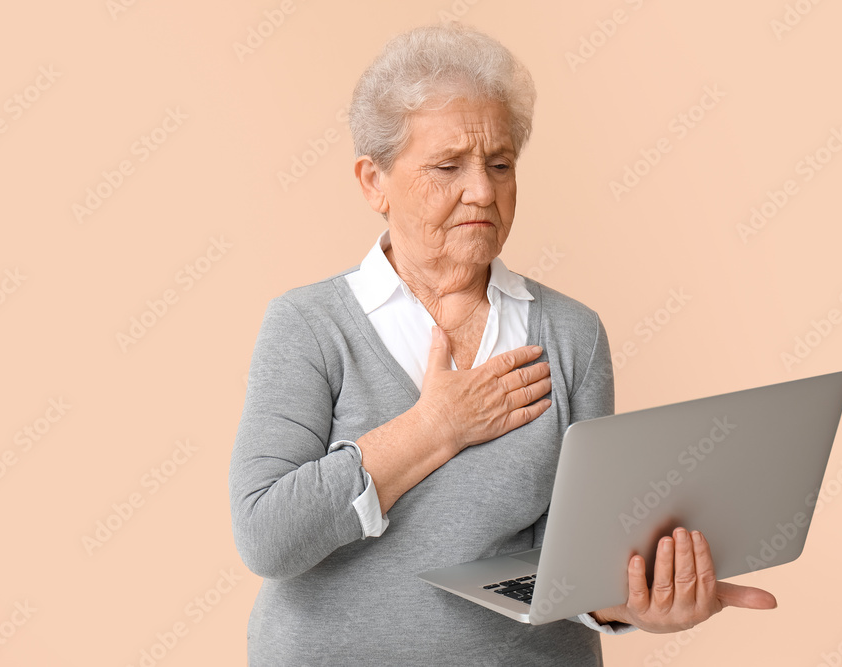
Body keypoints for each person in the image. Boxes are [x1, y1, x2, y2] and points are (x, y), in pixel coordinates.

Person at [229, 23, 776, 666]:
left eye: (500, 164)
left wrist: (629, 604)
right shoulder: (307, 324)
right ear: (373, 182)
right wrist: (434, 427)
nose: (483, 191)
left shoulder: (571, 335)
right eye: (447, 166)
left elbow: (572, 561)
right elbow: (267, 536)